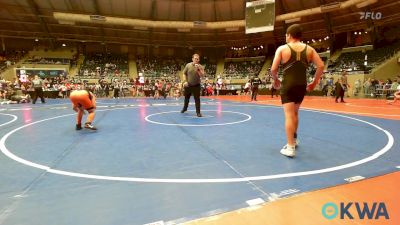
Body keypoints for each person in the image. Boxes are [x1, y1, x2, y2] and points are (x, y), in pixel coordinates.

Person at [271, 24, 324, 157]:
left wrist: (276, 80)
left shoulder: (282, 49)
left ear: (289, 35)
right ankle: (293, 139)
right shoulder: (309, 49)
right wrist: (314, 82)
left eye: (286, 35)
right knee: (295, 113)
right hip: (301, 85)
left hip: (288, 85)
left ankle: (290, 148)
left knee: (289, 115)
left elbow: (273, 69)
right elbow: (321, 65)